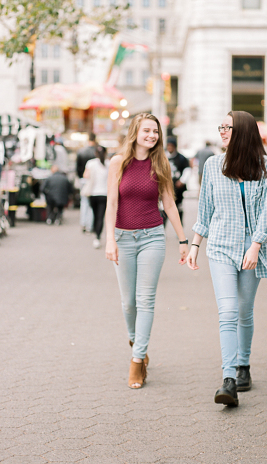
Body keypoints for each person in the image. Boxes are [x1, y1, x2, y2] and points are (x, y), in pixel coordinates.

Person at [187, 111, 267, 407]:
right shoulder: (214, 165)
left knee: (244, 311)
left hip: (253, 250)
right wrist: (195, 245)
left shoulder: (265, 166)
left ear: (244, 132)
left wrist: (256, 245)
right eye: (221, 126)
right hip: (222, 248)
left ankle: (243, 366)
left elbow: (266, 211)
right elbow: (205, 209)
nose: (222, 131)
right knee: (227, 311)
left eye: (228, 127)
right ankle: (228, 379)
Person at [105, 113, 189, 390]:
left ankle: (137, 359)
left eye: (156, 132)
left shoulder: (160, 162)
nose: (152, 136)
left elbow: (169, 203)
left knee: (145, 300)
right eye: (147, 131)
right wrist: (110, 240)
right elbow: (112, 205)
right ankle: (136, 340)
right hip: (123, 238)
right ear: (135, 132)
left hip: (153, 236)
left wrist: (183, 240)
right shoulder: (118, 163)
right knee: (128, 302)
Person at [83, 146, 109, 248]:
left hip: (93, 194)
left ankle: (95, 232)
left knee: (94, 214)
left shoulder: (90, 163)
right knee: (100, 216)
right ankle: (97, 236)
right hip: (104, 194)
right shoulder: (109, 163)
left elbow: (85, 176)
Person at [165, 137, 190, 226]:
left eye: (171, 146)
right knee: (164, 208)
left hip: (177, 188)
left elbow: (187, 170)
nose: (170, 148)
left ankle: (179, 226)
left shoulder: (181, 158)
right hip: (166, 187)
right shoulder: (163, 156)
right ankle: (162, 229)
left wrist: (182, 180)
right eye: (168, 146)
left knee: (178, 207)